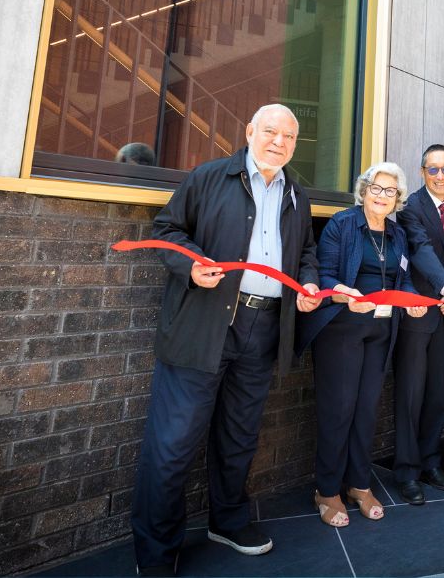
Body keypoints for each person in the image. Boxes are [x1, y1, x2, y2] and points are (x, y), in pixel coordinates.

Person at [131, 104, 321, 575]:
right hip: (204, 325)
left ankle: (228, 521)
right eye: (270, 131)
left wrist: (309, 283)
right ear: (250, 131)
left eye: (289, 137)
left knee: (239, 436)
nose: (279, 142)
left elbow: (307, 251)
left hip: (265, 328)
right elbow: (166, 229)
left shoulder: (296, 192)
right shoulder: (210, 176)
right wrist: (192, 265)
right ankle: (156, 551)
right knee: (173, 442)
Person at [296, 162, 427, 528]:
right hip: (341, 328)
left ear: (398, 198)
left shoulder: (397, 234)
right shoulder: (342, 224)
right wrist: (344, 293)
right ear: (364, 190)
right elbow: (324, 274)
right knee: (338, 409)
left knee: (367, 410)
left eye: (390, 191)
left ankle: (358, 484)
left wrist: (412, 300)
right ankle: (326, 490)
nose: (382, 196)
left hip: (381, 331)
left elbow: (403, 279)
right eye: (376, 188)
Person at [392, 144, 444, 505]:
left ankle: (430, 461)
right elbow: (422, 250)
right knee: (411, 394)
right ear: (422, 172)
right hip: (417, 313)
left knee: (437, 393)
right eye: (433, 169)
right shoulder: (410, 207)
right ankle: (407, 471)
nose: (440, 176)